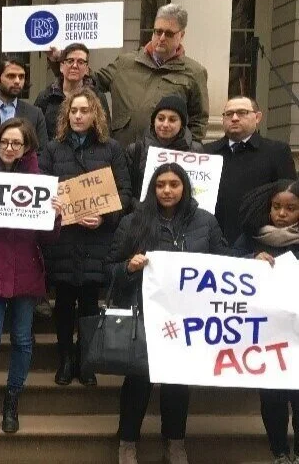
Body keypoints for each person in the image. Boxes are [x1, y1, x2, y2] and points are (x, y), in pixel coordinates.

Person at [106, 163, 228, 464]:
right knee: (138, 381)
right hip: (144, 315)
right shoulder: (133, 222)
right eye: (161, 185)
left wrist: (254, 259)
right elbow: (109, 269)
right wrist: (128, 268)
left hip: (187, 319)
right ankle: (127, 442)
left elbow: (225, 262)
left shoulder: (206, 222)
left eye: (174, 184)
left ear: (185, 187)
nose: (167, 190)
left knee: (177, 383)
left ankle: (175, 442)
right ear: (152, 188)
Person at [0, 118, 63, 435]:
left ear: (27, 147)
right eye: (4, 142)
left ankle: (11, 401)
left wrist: (56, 216)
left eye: (16, 143)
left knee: (22, 341)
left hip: (27, 272)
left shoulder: (39, 182)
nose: (9, 148)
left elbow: (48, 241)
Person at [38, 88, 131, 387]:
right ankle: (66, 358)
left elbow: (125, 193)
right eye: (73, 111)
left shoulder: (112, 149)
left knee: (90, 304)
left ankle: (87, 359)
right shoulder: (53, 149)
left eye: (84, 111)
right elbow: (42, 191)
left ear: (95, 114)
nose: (78, 116)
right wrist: (53, 209)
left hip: (97, 241)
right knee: (64, 302)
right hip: (63, 240)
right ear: (66, 115)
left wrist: (105, 217)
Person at [46, 3, 208, 147]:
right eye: (157, 31)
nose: (161, 38)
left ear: (182, 35)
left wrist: (188, 150)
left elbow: (199, 120)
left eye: (169, 33)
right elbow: (90, 81)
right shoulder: (126, 62)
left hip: (164, 157)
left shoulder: (194, 72)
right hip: (122, 151)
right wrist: (60, 61)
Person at [235, 179, 299, 464]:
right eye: (276, 207)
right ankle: (279, 453)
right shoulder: (252, 237)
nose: (282, 214)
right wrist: (250, 259)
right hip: (265, 335)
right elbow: (227, 262)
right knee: (272, 397)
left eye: (290, 208)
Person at [204, 95, 296, 245]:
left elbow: (290, 196)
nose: (234, 118)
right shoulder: (206, 152)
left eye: (242, 112)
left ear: (257, 117)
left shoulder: (277, 151)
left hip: (260, 242)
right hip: (213, 240)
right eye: (229, 114)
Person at [124, 95, 204, 202]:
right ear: (154, 121)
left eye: (172, 120)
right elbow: (127, 189)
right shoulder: (136, 150)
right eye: (161, 119)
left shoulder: (196, 150)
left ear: (182, 124)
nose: (165, 124)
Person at [34, 42, 109, 142]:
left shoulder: (97, 97)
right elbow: (34, 135)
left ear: (87, 69)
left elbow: (105, 134)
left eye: (81, 62)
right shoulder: (45, 97)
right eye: (70, 61)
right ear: (61, 66)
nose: (74, 65)